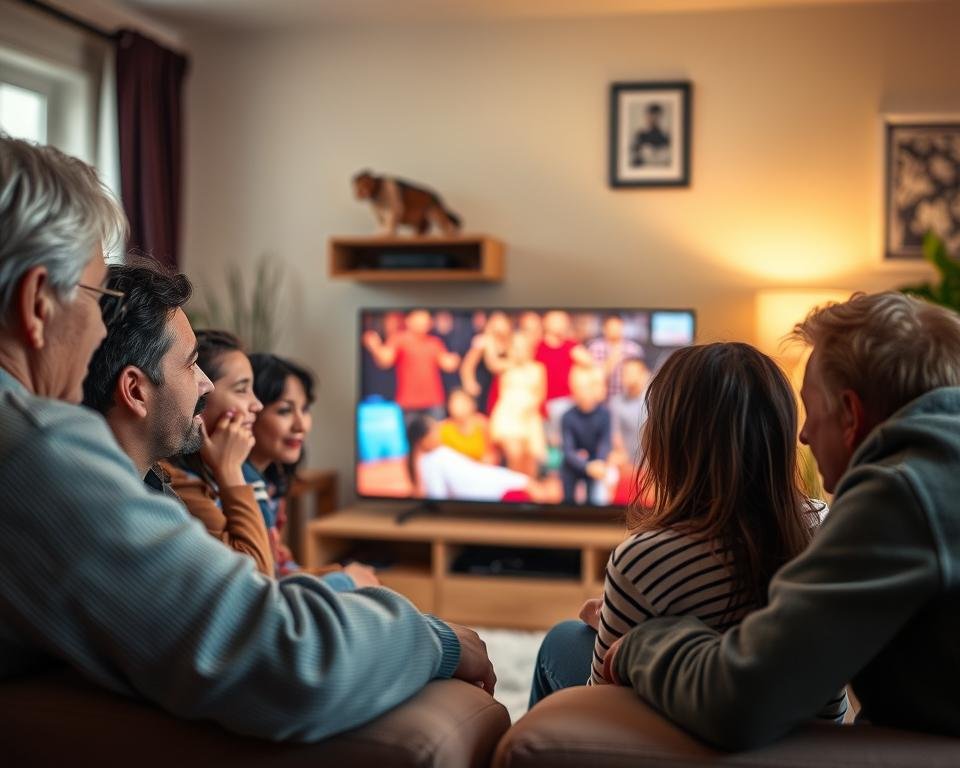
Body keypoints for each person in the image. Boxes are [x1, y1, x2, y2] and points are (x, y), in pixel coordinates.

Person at [0, 136, 494, 742]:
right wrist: (433, 637)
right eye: (98, 295)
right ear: (35, 303)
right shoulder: (33, 451)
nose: (102, 325)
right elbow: (285, 659)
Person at [602, 293, 960, 748]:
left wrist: (643, 639)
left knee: (563, 646)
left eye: (812, 411)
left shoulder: (901, 495)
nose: (805, 435)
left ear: (851, 413)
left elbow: (741, 702)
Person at [531, 343, 847, 724]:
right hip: (809, 737)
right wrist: (617, 620)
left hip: (688, 737)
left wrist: (618, 629)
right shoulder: (825, 525)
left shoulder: (645, 558)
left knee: (561, 640)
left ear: (673, 441)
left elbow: (600, 710)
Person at [82, 260, 214, 498]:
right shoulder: (105, 517)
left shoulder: (158, 492)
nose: (207, 384)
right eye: (191, 364)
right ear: (134, 391)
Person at [247, 352, 378, 587]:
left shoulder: (273, 481)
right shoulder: (234, 489)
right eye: (285, 410)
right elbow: (265, 586)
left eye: (305, 409)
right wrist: (344, 581)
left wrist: (336, 573)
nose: (301, 425)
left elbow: (279, 566)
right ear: (250, 411)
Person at [159, 329, 273, 576]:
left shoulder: (212, 470)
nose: (257, 405)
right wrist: (230, 470)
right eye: (242, 389)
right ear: (198, 392)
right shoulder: (177, 484)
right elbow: (259, 579)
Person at [407, 415, 556, 504]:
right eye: (434, 431)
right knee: (534, 491)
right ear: (423, 439)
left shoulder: (440, 452)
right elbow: (438, 498)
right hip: (485, 492)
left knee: (533, 487)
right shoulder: (429, 462)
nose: (439, 433)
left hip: (489, 480)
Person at [362, 309, 461, 421]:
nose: (423, 322)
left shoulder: (434, 342)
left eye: (425, 318)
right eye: (419, 318)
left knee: (434, 436)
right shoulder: (399, 339)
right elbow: (386, 361)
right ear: (408, 320)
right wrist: (375, 346)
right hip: (409, 402)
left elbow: (447, 364)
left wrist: (453, 360)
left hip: (434, 401)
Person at [489, 331, 547, 476]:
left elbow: (540, 394)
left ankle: (528, 495)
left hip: (529, 416)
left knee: (530, 459)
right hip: (509, 416)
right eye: (516, 346)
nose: (520, 350)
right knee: (515, 455)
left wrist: (530, 407)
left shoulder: (538, 368)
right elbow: (492, 361)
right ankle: (514, 493)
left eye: (523, 346)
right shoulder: (504, 367)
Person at [535, 310, 594, 445]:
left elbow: (589, 362)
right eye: (557, 320)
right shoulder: (538, 346)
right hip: (542, 401)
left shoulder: (569, 345)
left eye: (563, 321)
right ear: (546, 322)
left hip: (564, 401)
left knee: (563, 440)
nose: (561, 324)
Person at [560, 366, 612, 505]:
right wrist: (585, 466)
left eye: (587, 387)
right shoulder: (568, 416)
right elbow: (568, 450)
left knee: (594, 501)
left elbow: (605, 442)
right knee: (568, 497)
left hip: (596, 463)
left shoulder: (604, 414)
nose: (584, 393)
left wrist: (599, 462)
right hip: (575, 464)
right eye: (579, 388)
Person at [586, 315, 645, 399]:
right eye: (611, 327)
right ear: (604, 329)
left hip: (627, 399)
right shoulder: (595, 347)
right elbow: (594, 377)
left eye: (617, 326)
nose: (614, 330)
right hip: (601, 400)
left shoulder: (633, 349)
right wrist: (613, 359)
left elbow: (641, 376)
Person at [438, 387, 493, 463]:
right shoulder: (442, 428)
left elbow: (491, 455)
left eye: (462, 402)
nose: (458, 406)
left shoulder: (483, 424)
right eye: (454, 402)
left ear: (472, 404)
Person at [631, 102, 670, 167]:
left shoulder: (665, 136)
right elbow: (634, 159)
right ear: (647, 117)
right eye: (651, 116)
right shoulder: (640, 135)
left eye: (656, 117)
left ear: (660, 117)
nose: (653, 120)